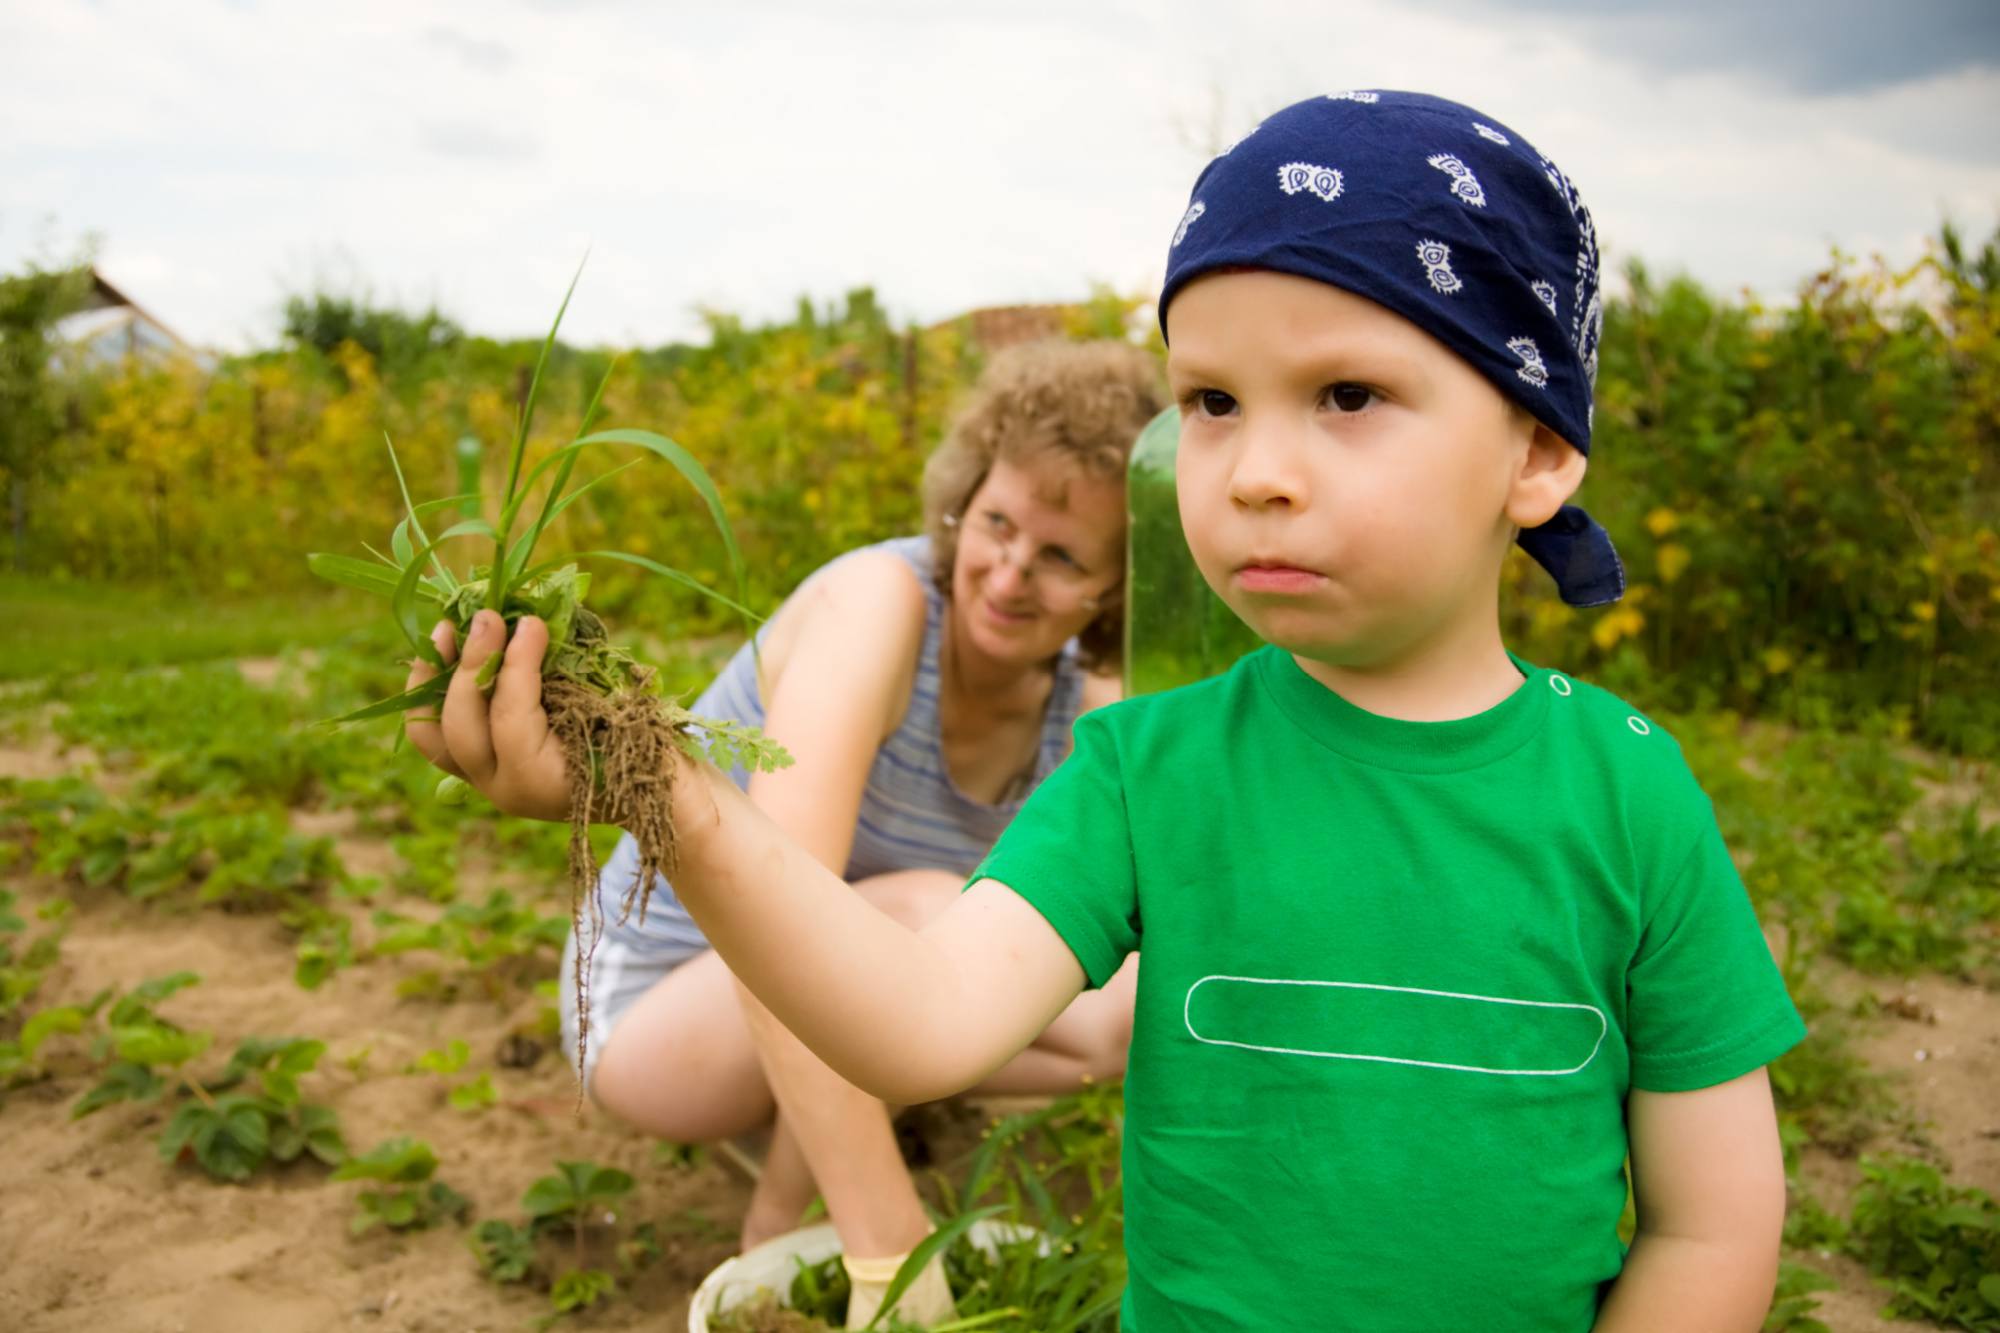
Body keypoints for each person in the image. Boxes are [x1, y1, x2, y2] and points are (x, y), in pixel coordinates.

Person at [409, 91, 1805, 1331]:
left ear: (1540, 451)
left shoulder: (1632, 795)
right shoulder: (1148, 767)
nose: (1254, 468)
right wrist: (670, 789)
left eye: (1347, 394)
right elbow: (917, 1021)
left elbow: (1713, 1223)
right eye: (1211, 400)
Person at [558, 339, 1157, 1325]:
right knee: (930, 913)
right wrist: (878, 1243)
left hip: (840, 984)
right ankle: (797, 1208)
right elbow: (777, 925)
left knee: (1105, 1001)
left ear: (1112, 588)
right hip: (658, 1010)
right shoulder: (880, 607)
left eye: (1059, 558)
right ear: (963, 501)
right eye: (995, 524)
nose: (1007, 575)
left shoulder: (1082, 696)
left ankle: (813, 1151)